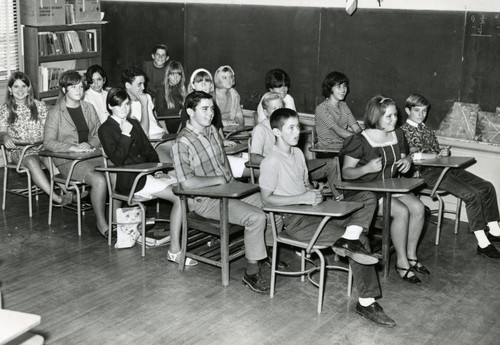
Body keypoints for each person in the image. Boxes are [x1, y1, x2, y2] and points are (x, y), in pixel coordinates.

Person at [259, 108, 394, 327]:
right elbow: (266, 201)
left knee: (367, 197)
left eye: (298, 127)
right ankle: (367, 302)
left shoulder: (298, 154)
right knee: (361, 242)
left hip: (315, 211)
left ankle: (349, 237)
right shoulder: (271, 161)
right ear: (275, 131)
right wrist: (303, 197)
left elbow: (304, 184)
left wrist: (314, 191)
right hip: (297, 221)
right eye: (291, 128)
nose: (297, 132)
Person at [172, 91, 272, 293]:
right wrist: (217, 180)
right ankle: (251, 273)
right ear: (190, 111)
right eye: (205, 109)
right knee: (257, 217)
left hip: (229, 190)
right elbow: (186, 183)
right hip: (208, 200)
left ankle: (263, 253)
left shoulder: (213, 131)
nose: (210, 113)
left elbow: (224, 166)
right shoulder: (181, 142)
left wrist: (231, 182)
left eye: (212, 108)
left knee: (273, 204)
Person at [98, 88, 197, 265]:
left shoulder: (133, 123)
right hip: (130, 180)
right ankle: (174, 250)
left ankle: (193, 239)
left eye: (126, 104)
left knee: (188, 189)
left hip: (147, 175)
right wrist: (125, 134)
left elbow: (149, 151)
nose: (124, 108)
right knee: (180, 197)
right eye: (118, 105)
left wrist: (158, 170)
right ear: (109, 106)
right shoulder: (105, 129)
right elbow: (118, 159)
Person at [401, 93, 500, 258]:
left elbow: (435, 152)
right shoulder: (402, 132)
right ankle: (483, 243)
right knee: (471, 194)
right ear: (407, 110)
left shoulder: (426, 130)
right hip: (424, 174)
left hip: (443, 167)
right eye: (417, 110)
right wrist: (435, 156)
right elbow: (412, 157)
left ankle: (495, 231)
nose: (421, 115)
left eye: (424, 111)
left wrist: (442, 153)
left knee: (486, 187)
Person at [341, 95, 427, 284]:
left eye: (395, 115)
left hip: (390, 185)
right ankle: (401, 263)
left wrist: (408, 160)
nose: (395, 120)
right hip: (365, 190)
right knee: (402, 212)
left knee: (419, 208)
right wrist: (365, 169)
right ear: (375, 117)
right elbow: (346, 173)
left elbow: (405, 158)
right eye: (389, 116)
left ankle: (412, 256)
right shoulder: (358, 141)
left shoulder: (398, 135)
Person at [43, 70, 109, 237]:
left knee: (116, 172)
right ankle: (102, 223)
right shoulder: (55, 112)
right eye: (74, 87)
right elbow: (48, 142)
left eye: (81, 86)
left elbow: (100, 132)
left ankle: (118, 219)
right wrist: (71, 147)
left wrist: (89, 143)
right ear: (65, 90)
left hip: (91, 153)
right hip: (68, 160)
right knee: (99, 180)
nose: (79, 90)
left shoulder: (88, 107)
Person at [0, 71, 72, 206]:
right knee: (32, 161)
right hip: (21, 151)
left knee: (50, 158)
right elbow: (2, 132)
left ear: (29, 89)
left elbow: (49, 128)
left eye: (23, 86)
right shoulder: (6, 109)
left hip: (42, 146)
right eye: (16, 87)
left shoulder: (39, 106)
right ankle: (56, 198)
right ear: (10, 89)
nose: (20, 90)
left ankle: (67, 190)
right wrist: (5, 136)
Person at [182, 69, 247, 178]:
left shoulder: (213, 106)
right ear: (193, 85)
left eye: (207, 81)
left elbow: (218, 128)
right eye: (199, 81)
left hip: (217, 152)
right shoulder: (189, 107)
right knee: (262, 167)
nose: (204, 84)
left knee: (250, 157)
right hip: (206, 158)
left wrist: (223, 141)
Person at [122, 67, 170, 162]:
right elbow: (144, 133)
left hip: (163, 137)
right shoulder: (124, 106)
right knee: (173, 163)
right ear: (128, 85)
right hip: (151, 143)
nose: (143, 88)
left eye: (143, 83)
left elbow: (154, 120)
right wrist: (143, 105)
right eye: (139, 84)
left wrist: (165, 132)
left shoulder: (147, 96)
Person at [315, 71, 362, 147]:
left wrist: (366, 137)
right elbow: (339, 131)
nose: (343, 90)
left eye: (344, 86)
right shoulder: (321, 109)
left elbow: (356, 128)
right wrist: (362, 139)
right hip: (326, 149)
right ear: (330, 88)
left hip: (342, 147)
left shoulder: (343, 105)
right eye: (339, 86)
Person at [154, 60, 187, 134]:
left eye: (178, 74)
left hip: (182, 122)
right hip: (169, 124)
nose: (176, 77)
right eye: (172, 74)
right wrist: (179, 111)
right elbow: (160, 112)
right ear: (168, 75)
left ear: (181, 76)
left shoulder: (183, 90)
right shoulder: (161, 90)